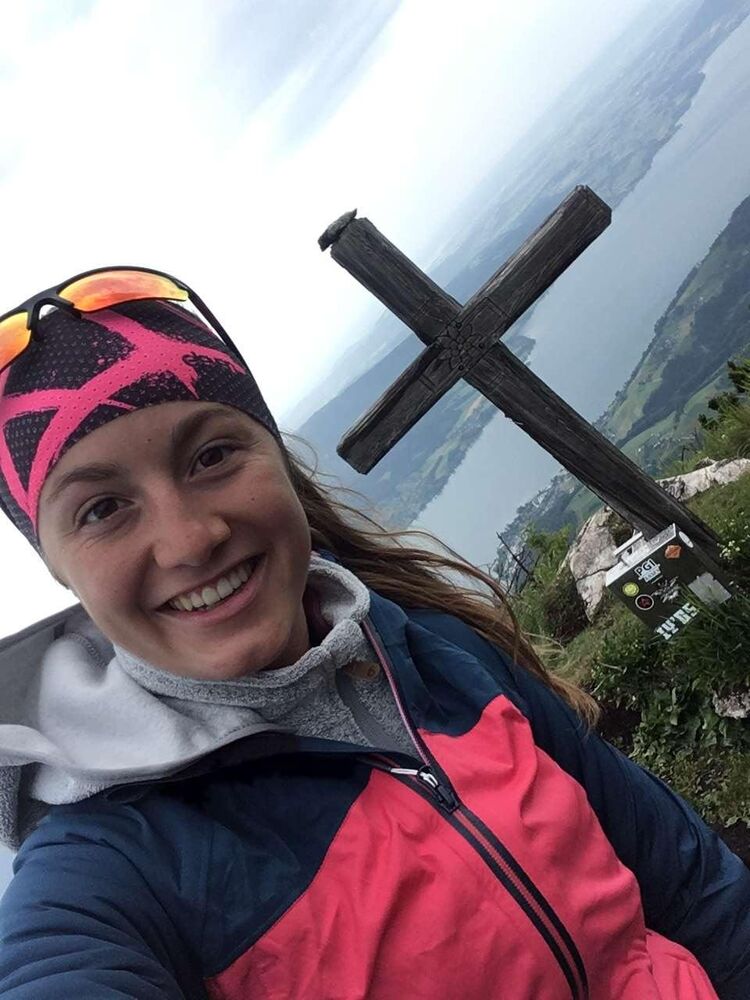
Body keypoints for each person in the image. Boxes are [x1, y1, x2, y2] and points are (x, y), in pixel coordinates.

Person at [0, 267, 747, 1000]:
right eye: (102, 509)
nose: (191, 539)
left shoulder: (432, 643)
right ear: (56, 566)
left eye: (212, 455)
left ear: (277, 459)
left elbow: (689, 881)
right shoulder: (107, 865)